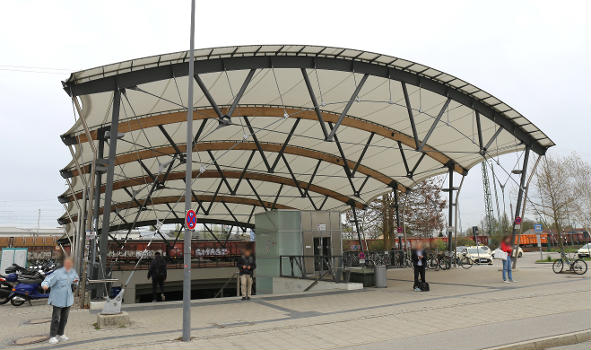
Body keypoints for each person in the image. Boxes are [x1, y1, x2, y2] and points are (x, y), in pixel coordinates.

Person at [41, 256, 79, 345]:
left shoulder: (72, 272)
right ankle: (52, 336)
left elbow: (76, 279)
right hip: (57, 299)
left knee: (64, 318)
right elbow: (47, 280)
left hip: (68, 299)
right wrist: (45, 285)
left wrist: (76, 281)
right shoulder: (57, 273)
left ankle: (60, 334)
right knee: (56, 318)